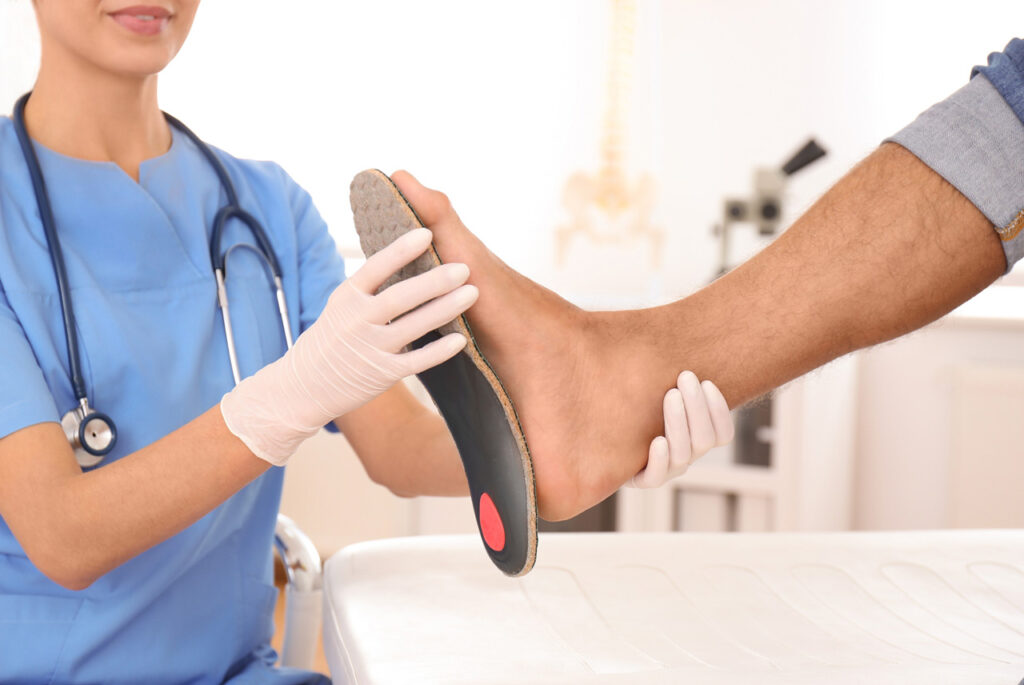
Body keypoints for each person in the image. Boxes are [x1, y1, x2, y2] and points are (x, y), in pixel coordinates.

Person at [0, 2, 731, 682]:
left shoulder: (265, 206)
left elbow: (400, 449)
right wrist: (281, 402)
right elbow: (63, 536)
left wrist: (584, 442)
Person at [388, 37, 1024, 521]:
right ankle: (614, 373)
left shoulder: (292, 225)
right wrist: (285, 403)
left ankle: (615, 374)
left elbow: (401, 447)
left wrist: (524, 453)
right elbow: (389, 450)